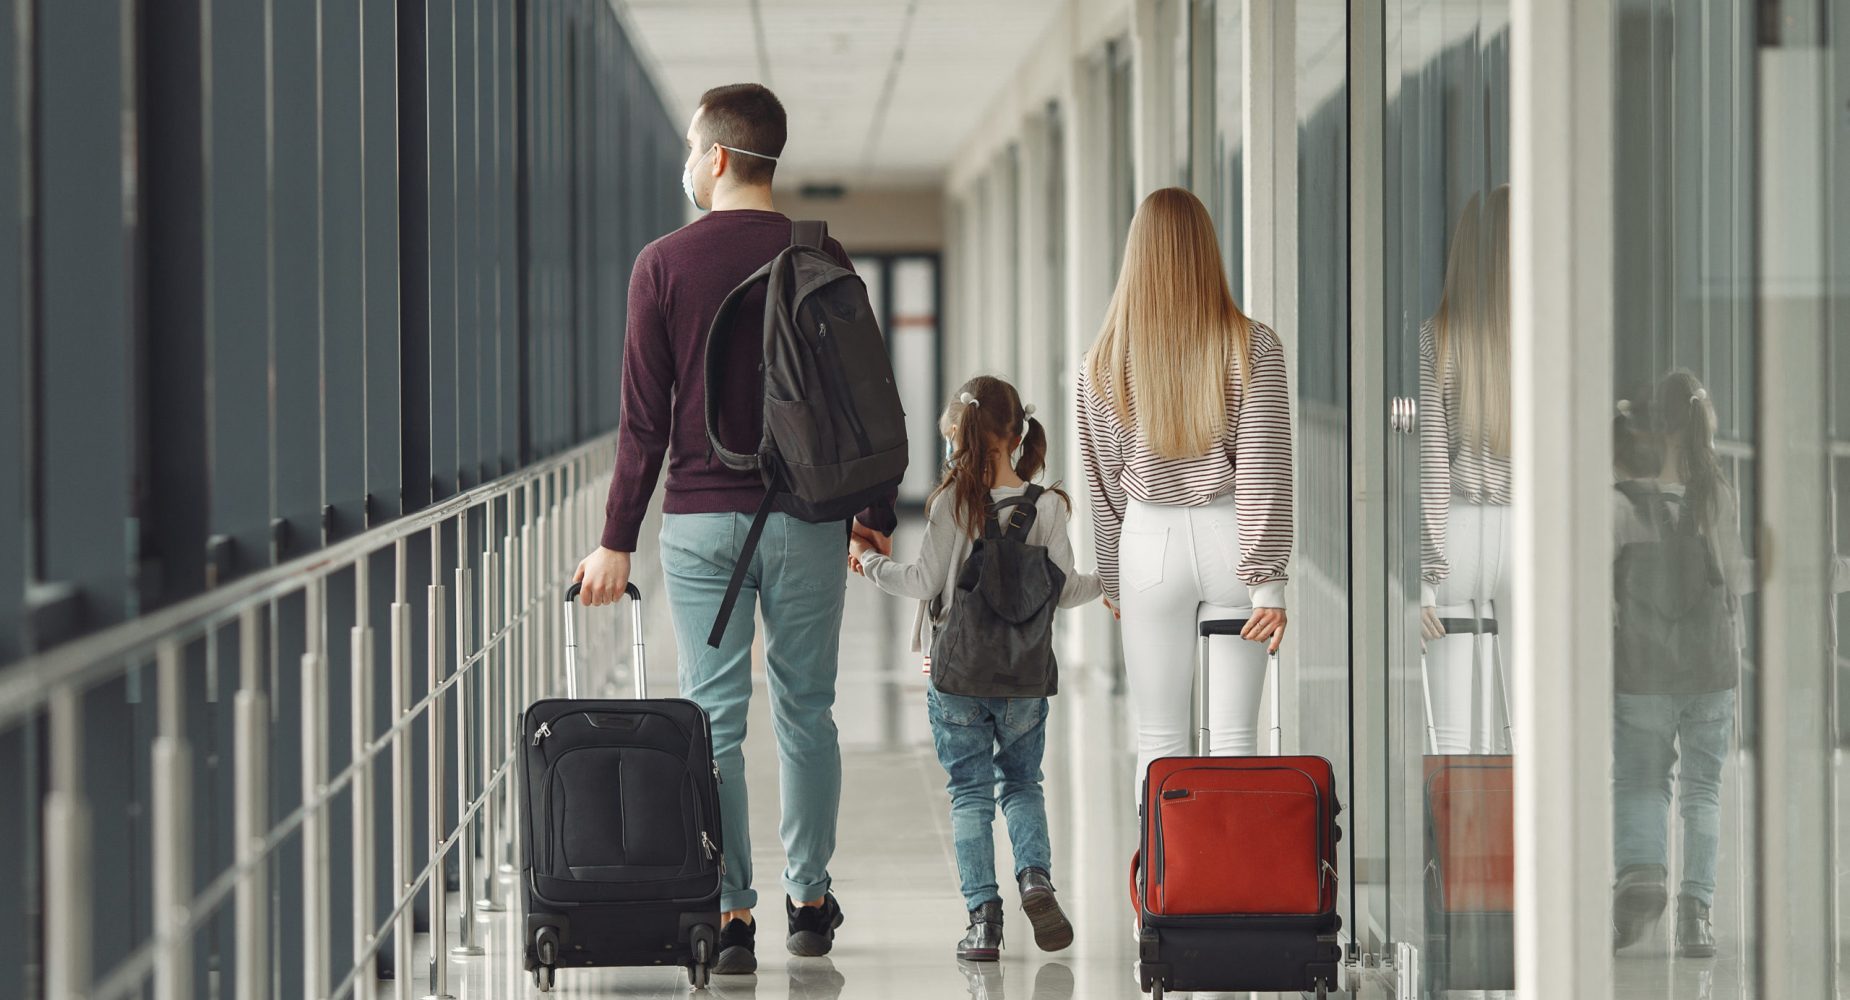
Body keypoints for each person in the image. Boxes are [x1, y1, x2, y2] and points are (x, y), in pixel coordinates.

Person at [572, 83, 896, 976]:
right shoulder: (819, 249)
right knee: (807, 713)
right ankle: (810, 899)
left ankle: (731, 913)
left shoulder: (662, 265)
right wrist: (872, 512)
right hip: (808, 520)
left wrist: (616, 539)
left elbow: (642, 423)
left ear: (715, 156)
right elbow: (860, 393)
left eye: (689, 146)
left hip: (702, 522)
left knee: (714, 723)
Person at [850, 375, 1099, 962]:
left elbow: (921, 583)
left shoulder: (950, 504)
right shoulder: (1051, 508)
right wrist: (1114, 586)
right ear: (1016, 435)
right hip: (1025, 682)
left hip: (957, 676)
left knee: (969, 793)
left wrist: (866, 561)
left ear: (957, 437)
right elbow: (1064, 592)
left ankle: (984, 919)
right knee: (1022, 784)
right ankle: (1035, 878)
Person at [1076, 186, 1294, 803]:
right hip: (1233, 543)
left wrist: (1116, 580)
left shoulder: (1101, 360)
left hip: (1148, 547)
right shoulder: (1253, 346)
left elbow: (1104, 482)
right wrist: (1267, 583)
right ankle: (1233, 889)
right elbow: (1263, 470)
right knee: (1235, 740)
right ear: (1207, 251)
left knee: (1159, 738)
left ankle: (1163, 892)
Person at [1419, 186, 1514, 755]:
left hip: (1455, 534)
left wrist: (1425, 580)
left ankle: (1456, 843)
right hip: (1528, 536)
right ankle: (1529, 844)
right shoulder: (1549, 337)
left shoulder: (1436, 338)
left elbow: (1431, 465)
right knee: (1529, 725)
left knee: (1450, 733)